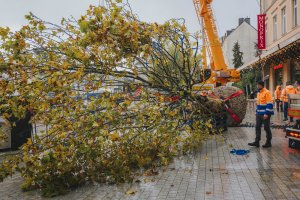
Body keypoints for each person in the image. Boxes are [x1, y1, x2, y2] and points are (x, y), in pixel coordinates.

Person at [248, 81, 274, 148]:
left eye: (258, 85)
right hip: (259, 113)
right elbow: (258, 104)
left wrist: (266, 113)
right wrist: (256, 112)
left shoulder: (267, 92)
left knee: (266, 128)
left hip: (265, 114)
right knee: (257, 127)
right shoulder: (259, 93)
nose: (257, 86)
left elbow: (270, 104)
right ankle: (257, 142)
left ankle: (268, 142)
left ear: (261, 85)